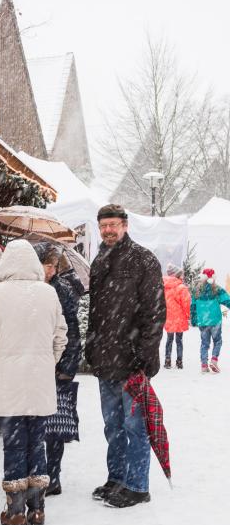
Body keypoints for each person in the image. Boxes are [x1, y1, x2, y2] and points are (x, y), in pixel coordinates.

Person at [0, 239, 67, 525]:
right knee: (36, 441)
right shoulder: (48, 294)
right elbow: (60, 336)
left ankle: (15, 512)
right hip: (40, 380)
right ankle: (37, 509)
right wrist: (46, 362)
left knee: (14, 442)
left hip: (8, 380)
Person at [86, 204, 166, 508]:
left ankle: (137, 485)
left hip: (132, 360)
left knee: (135, 426)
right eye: (104, 225)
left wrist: (145, 354)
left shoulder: (143, 260)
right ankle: (117, 478)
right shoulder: (100, 261)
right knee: (113, 425)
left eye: (113, 225)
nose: (108, 230)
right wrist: (92, 346)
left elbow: (155, 312)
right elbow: (96, 313)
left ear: (125, 225)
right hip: (105, 359)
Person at [34, 242, 82, 496]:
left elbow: (71, 332)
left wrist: (66, 367)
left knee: (53, 427)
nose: (50, 270)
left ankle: (52, 476)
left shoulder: (60, 291)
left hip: (55, 367)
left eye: (53, 265)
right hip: (37, 366)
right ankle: (41, 473)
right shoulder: (31, 290)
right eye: (46, 265)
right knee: (37, 426)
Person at [191, 268, 230, 373]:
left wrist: (194, 319)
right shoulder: (217, 289)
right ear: (213, 277)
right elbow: (227, 301)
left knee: (204, 343)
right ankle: (214, 360)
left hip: (203, 321)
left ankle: (204, 365)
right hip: (215, 320)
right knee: (217, 341)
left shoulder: (196, 290)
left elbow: (193, 306)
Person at [163, 263, 191, 370]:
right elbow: (186, 303)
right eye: (181, 275)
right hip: (179, 318)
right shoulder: (181, 288)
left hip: (169, 317)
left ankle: (167, 360)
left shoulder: (164, 287)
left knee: (169, 340)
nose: (182, 277)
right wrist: (187, 315)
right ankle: (179, 361)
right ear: (177, 275)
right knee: (179, 340)